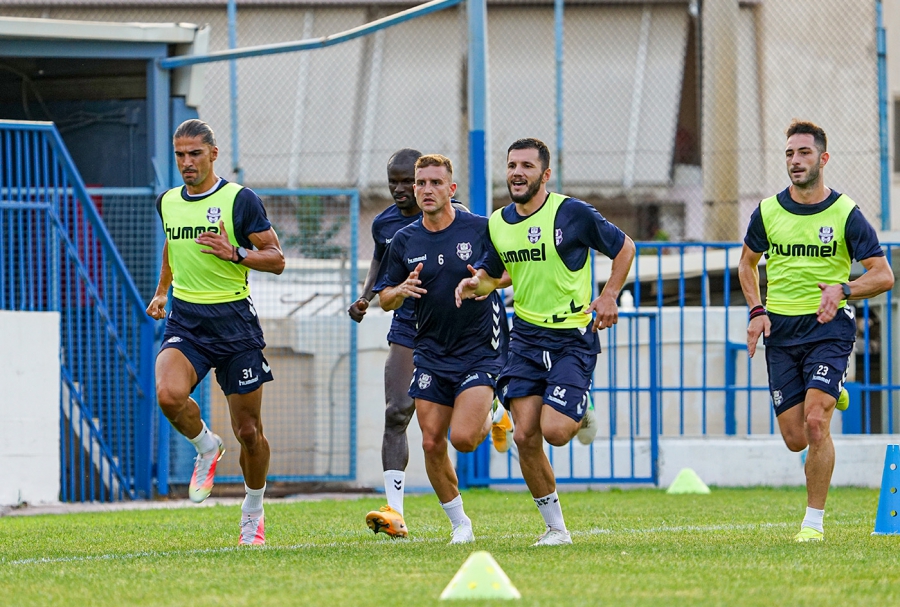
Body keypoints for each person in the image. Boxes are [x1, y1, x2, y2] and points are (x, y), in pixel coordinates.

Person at [456, 138, 635, 546]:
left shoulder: (570, 213)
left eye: (526, 166)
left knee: (555, 431)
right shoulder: (498, 223)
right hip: (525, 336)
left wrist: (608, 295)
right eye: (512, 165)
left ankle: (579, 406)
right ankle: (556, 529)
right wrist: (475, 283)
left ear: (545, 174)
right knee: (524, 436)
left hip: (572, 335)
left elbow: (625, 248)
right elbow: (495, 274)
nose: (517, 172)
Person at [738, 119, 893, 542]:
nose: (795, 161)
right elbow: (747, 263)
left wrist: (844, 289)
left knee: (815, 423)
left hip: (829, 328)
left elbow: (883, 275)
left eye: (804, 153)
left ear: (823, 159)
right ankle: (830, 391)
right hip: (782, 332)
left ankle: (813, 523)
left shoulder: (846, 213)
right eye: (789, 154)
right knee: (793, 437)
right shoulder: (768, 211)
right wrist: (757, 310)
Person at [353, 150, 512, 539]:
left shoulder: (480, 228)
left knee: (463, 438)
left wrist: (488, 283)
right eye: (418, 183)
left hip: (478, 345)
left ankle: (492, 409)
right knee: (428, 438)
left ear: (451, 189)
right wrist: (398, 292)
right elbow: (386, 294)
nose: (422, 189)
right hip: (429, 347)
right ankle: (460, 524)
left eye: (432, 182)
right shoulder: (401, 237)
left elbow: (512, 269)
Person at [146, 119, 285, 546]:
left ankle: (253, 511)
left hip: (234, 325)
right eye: (180, 155)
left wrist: (237, 252)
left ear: (213, 154)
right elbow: (174, 243)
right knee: (168, 394)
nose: (187, 163)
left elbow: (276, 257)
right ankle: (207, 446)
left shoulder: (239, 201)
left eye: (195, 154)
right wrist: (162, 291)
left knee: (249, 431)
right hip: (187, 320)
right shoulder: (168, 201)